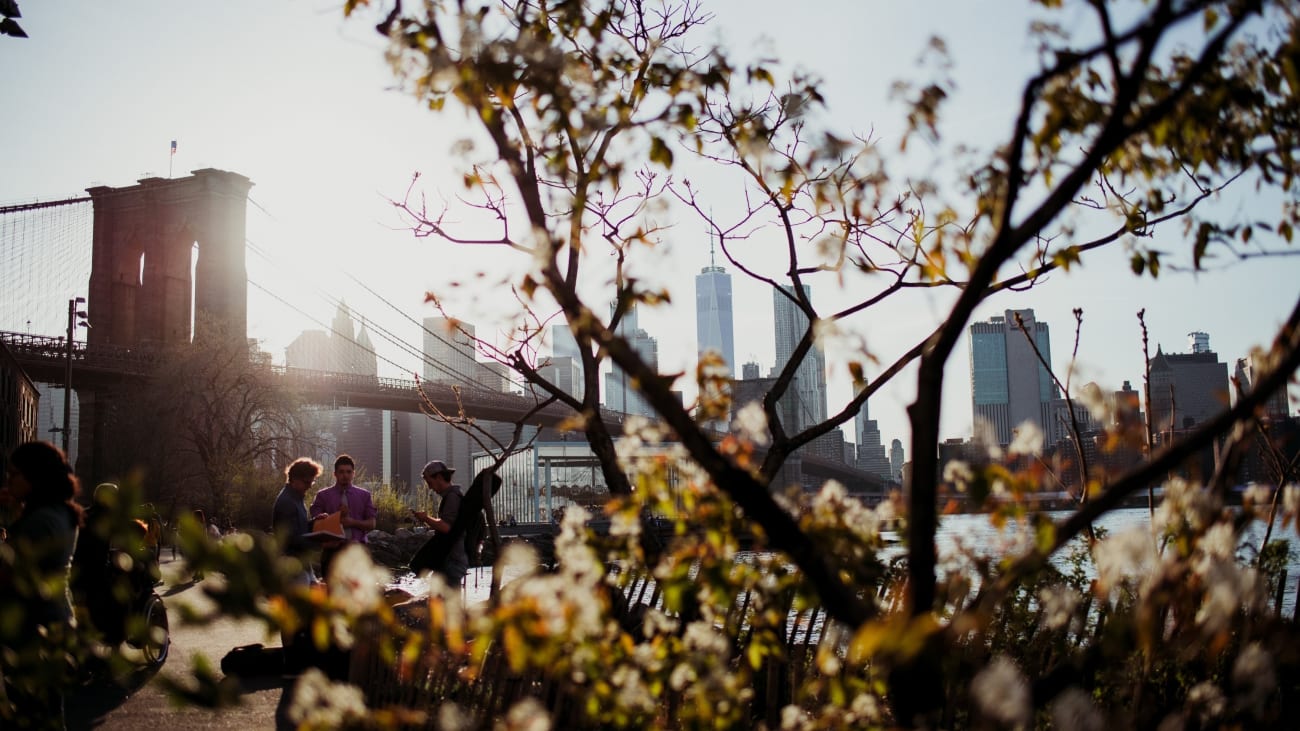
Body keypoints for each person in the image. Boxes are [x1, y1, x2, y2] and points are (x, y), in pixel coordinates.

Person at [0, 441, 84, 730]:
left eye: (14, 475)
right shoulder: (57, 513)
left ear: (35, 477)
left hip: (34, 631)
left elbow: (8, 574)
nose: (8, 480)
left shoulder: (41, 521)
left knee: (34, 716)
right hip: (52, 624)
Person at [309, 455, 376, 580]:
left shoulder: (364, 495)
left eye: (348, 472)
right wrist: (334, 520)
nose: (345, 475)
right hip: (331, 551)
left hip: (357, 550)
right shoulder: (322, 496)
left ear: (353, 474)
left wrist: (352, 522)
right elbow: (315, 523)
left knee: (358, 595)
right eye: (341, 472)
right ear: (335, 474)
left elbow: (372, 524)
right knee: (331, 594)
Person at [411, 460, 467, 586]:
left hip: (452, 560)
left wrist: (425, 518)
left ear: (440, 477)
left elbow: (446, 527)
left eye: (429, 482)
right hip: (450, 559)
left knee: (447, 602)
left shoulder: (452, 497)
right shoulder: (453, 496)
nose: (430, 487)